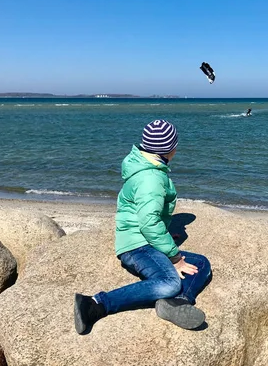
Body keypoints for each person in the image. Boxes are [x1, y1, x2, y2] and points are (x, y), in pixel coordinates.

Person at [74, 119, 211, 334]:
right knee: (169, 283)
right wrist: (174, 257)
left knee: (201, 264)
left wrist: (164, 234)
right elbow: (149, 222)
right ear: (170, 149)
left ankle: (177, 303)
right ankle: (96, 304)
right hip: (137, 246)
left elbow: (150, 216)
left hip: (146, 240)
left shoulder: (146, 167)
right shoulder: (151, 178)